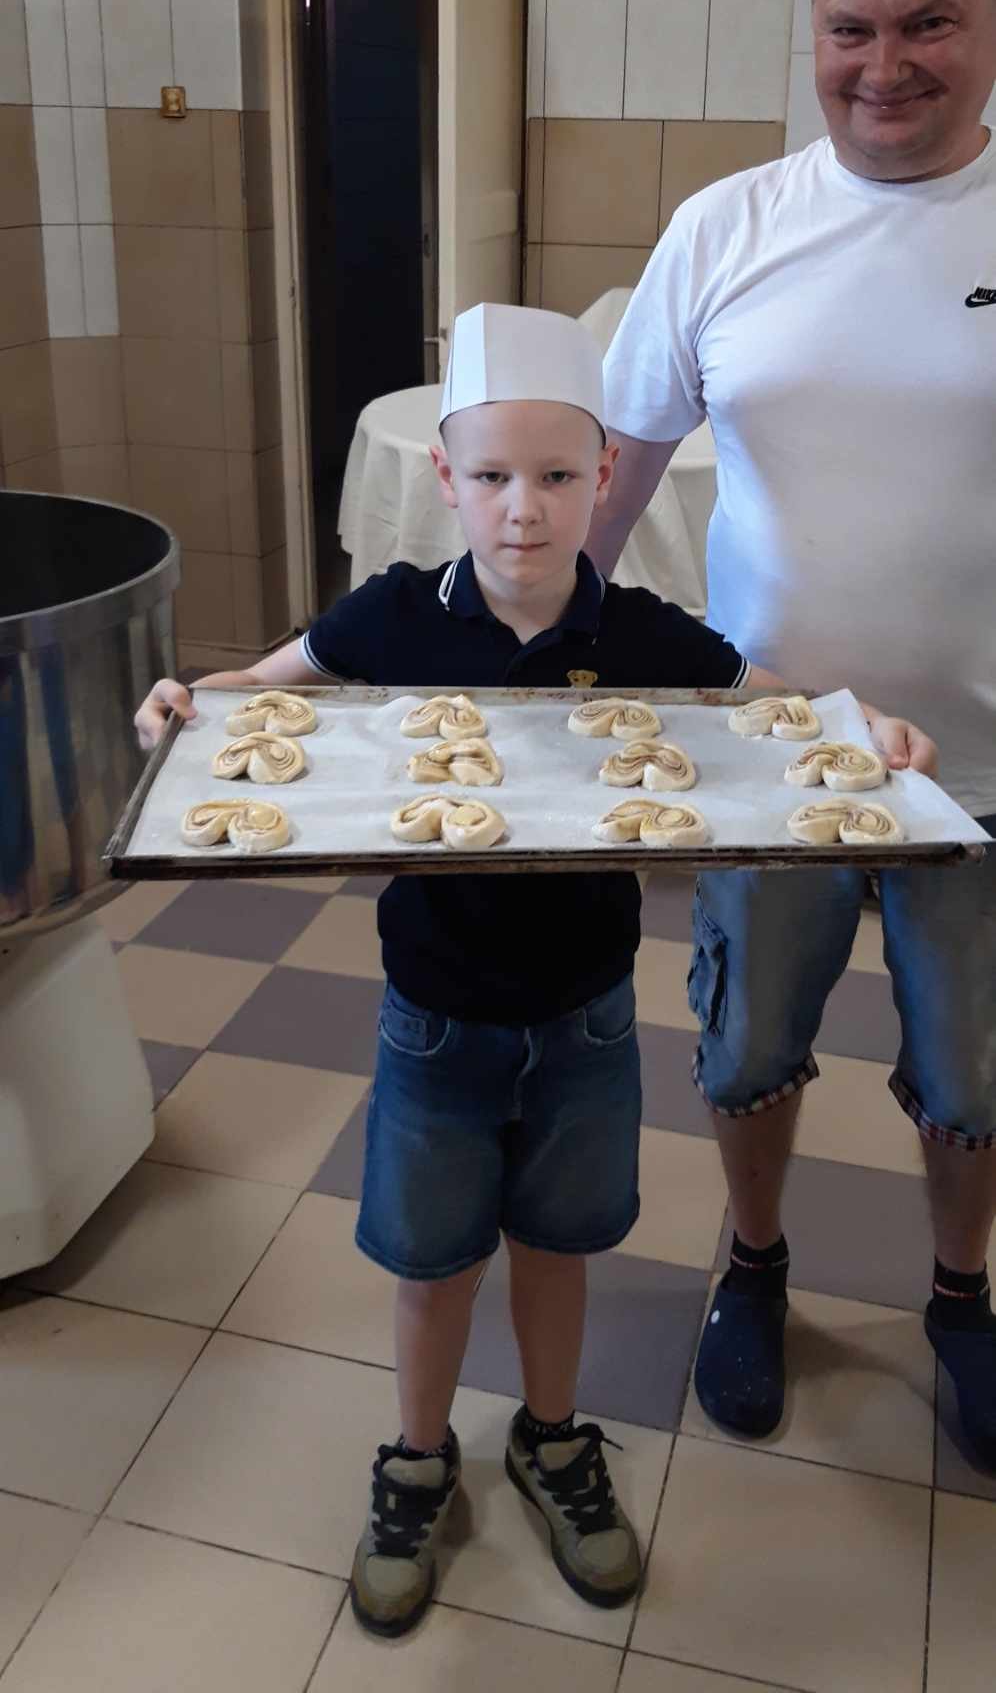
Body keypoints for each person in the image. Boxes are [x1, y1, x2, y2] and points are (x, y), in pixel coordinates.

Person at [136, 302, 924, 1636]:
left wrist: (872, 729)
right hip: (435, 1017)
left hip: (587, 1018)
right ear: (445, 479)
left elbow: (775, 702)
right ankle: (417, 1458)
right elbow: (263, 691)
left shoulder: (644, 633)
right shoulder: (397, 616)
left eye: (557, 476)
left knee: (560, 1246)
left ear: (605, 478)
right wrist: (185, 699)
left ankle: (553, 1439)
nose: (523, 509)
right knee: (433, 1260)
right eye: (493, 476)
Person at [587, 0, 996, 1465]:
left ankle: (961, 1294)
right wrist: (530, 658)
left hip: (988, 767)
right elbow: (613, 470)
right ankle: (753, 1267)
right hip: (768, 759)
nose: (884, 64)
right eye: (851, 26)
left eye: (929, 20)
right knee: (751, 1047)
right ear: (814, 31)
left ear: (989, 20)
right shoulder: (727, 227)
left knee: (973, 1071)